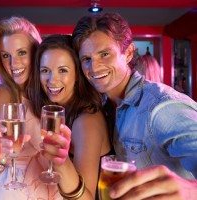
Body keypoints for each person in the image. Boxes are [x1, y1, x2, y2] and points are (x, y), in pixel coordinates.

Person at [72, 13, 197, 199]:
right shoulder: (104, 105)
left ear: (129, 53)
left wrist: (191, 190)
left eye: (104, 54)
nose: (94, 68)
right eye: (86, 59)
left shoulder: (161, 106)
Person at [0, 16, 69, 200]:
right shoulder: (2, 95)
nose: (13, 64)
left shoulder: (53, 92)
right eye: (6, 55)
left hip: (55, 190)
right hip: (12, 191)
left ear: (36, 52)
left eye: (22, 52)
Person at [27, 34, 111, 199]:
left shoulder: (87, 121)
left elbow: (86, 198)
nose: (52, 80)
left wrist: (61, 163)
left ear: (77, 75)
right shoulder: (55, 111)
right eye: (45, 71)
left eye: (63, 70)